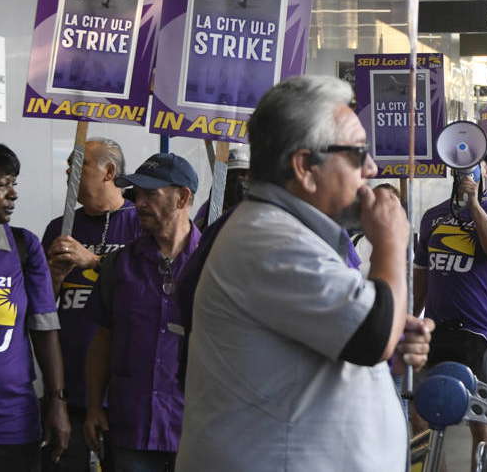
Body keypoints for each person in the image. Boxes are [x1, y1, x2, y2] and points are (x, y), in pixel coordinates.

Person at [176, 76, 432, 471]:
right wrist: (391, 243)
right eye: (356, 153)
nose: (371, 167)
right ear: (305, 167)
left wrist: (393, 332)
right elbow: (370, 336)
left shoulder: (297, 234)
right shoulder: (269, 238)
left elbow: (359, 339)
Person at [83, 153, 202, 472]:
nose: (139, 203)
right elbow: (102, 340)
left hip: (194, 431)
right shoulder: (119, 265)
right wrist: (94, 406)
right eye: (137, 195)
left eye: (151, 194)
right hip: (129, 428)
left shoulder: (214, 264)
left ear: (183, 197)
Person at [412, 155, 487, 469]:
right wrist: (412, 319)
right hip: (436, 328)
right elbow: (423, 273)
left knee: (481, 421)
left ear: (486, 171)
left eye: (474, 164)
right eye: (460, 165)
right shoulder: (433, 216)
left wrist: (474, 205)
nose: (466, 171)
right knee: (420, 414)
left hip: (481, 331)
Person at [41, 137, 141, 472]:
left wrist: (94, 260)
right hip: (68, 387)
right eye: (68, 164)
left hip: (122, 393)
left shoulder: (140, 223)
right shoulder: (61, 228)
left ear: (109, 171)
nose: (68, 170)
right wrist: (53, 277)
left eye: (79, 164)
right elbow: (42, 308)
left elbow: (147, 290)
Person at [0, 144, 70, 471]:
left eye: (14, 184)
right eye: (1, 185)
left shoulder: (24, 246)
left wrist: (56, 402)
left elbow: (45, 329)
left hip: (13, 421)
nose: (12, 194)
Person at [193, 143, 249, 229]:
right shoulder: (208, 209)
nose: (240, 183)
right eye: (233, 176)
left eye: (244, 175)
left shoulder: (254, 207)